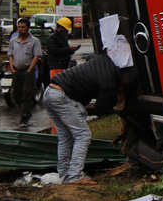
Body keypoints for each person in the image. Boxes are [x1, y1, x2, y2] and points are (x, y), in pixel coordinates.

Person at [43, 54, 127, 184]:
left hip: (49, 92)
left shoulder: (102, 60)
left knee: (65, 137)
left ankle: (65, 177)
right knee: (83, 135)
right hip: (62, 95)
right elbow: (101, 108)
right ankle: (75, 177)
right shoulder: (110, 82)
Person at [8, 17, 43, 127]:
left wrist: (29, 69)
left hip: (28, 71)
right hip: (16, 71)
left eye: (23, 27)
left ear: (28, 28)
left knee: (26, 94)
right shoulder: (13, 40)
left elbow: (37, 55)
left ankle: (25, 116)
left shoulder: (34, 41)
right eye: (19, 27)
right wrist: (12, 68)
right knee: (16, 94)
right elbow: (10, 55)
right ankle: (24, 112)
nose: (21, 29)